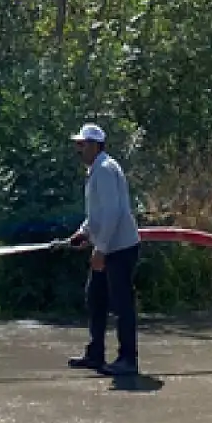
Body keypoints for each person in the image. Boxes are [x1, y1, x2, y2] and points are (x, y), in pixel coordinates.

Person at [62, 123, 142, 377]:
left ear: (95, 145)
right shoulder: (97, 169)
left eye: (82, 144)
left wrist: (101, 250)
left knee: (121, 304)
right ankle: (95, 354)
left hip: (119, 248)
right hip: (109, 246)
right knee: (95, 298)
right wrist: (83, 232)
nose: (78, 149)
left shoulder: (105, 170)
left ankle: (127, 360)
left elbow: (113, 213)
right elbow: (97, 213)